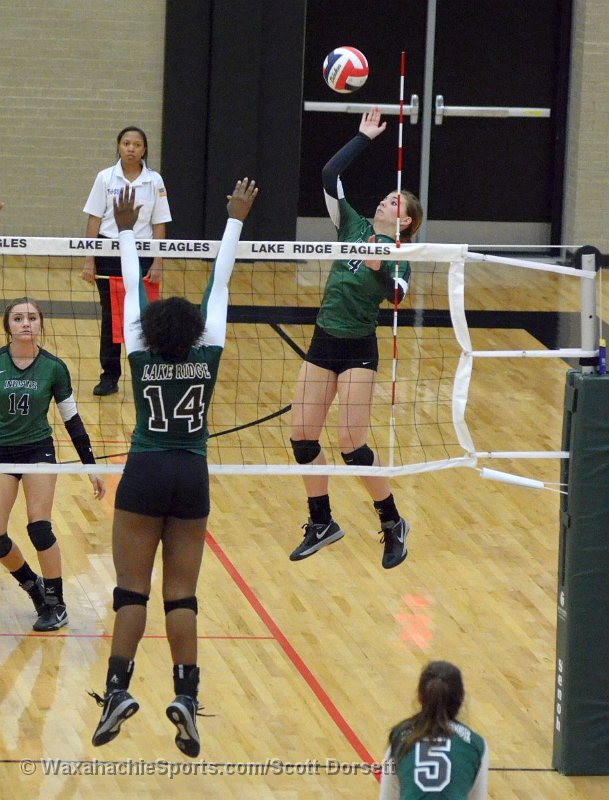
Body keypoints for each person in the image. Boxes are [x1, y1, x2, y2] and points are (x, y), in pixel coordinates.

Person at [90, 178, 258, 757]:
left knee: (131, 592)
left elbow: (132, 285)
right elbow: (220, 282)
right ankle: (186, 697)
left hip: (144, 472)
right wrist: (235, 220)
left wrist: (127, 231)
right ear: (195, 331)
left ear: (150, 331)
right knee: (181, 596)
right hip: (191, 475)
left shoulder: (139, 353)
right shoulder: (208, 353)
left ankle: (117, 693)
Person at [289, 108, 423, 569]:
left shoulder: (401, 253)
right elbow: (330, 174)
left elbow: (398, 296)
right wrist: (363, 137)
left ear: (405, 222)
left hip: (357, 350)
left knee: (352, 444)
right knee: (303, 437)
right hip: (323, 340)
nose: (386, 202)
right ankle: (321, 522)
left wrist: (380, 267)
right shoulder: (352, 225)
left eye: (395, 203)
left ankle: (393, 522)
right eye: (386, 198)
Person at [0, 298, 105, 631]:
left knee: (39, 527)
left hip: (38, 452)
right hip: (2, 453)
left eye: (32, 317)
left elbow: (72, 419)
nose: (25, 323)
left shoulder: (54, 368)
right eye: (18, 318)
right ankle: (33, 587)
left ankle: (56, 604)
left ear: (41, 324)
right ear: (8, 326)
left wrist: (90, 467)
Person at [81, 126, 172, 396]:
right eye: (126, 143)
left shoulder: (154, 181)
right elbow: (94, 218)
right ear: (119, 146)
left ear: (144, 149)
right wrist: (89, 259)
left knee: (145, 315)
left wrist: (158, 260)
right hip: (109, 252)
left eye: (137, 144)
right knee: (111, 316)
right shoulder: (105, 177)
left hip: (142, 253)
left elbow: (159, 222)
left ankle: (147, 373)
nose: (131, 148)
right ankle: (109, 376)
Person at [379, 661, 489, 800]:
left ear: (420, 697)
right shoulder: (475, 744)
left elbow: (387, 797)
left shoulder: (400, 737)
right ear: (461, 699)